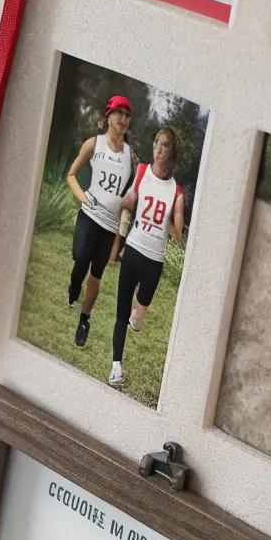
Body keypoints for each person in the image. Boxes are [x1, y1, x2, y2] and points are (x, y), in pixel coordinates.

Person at [108, 127, 185, 388]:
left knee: (138, 316)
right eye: (156, 143)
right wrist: (127, 201)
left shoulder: (176, 191)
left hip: (154, 261)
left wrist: (178, 225)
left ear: (171, 151)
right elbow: (129, 201)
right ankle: (116, 367)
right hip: (134, 250)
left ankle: (137, 318)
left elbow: (176, 230)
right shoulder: (141, 173)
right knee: (121, 312)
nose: (159, 149)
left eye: (165, 145)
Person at [66, 95, 136, 349]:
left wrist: (122, 232)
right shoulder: (93, 144)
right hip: (89, 215)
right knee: (81, 259)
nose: (123, 119)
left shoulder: (131, 156)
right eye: (119, 113)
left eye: (127, 115)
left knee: (96, 275)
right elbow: (71, 175)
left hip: (109, 226)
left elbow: (134, 190)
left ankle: (84, 320)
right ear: (108, 116)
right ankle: (73, 287)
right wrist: (83, 197)